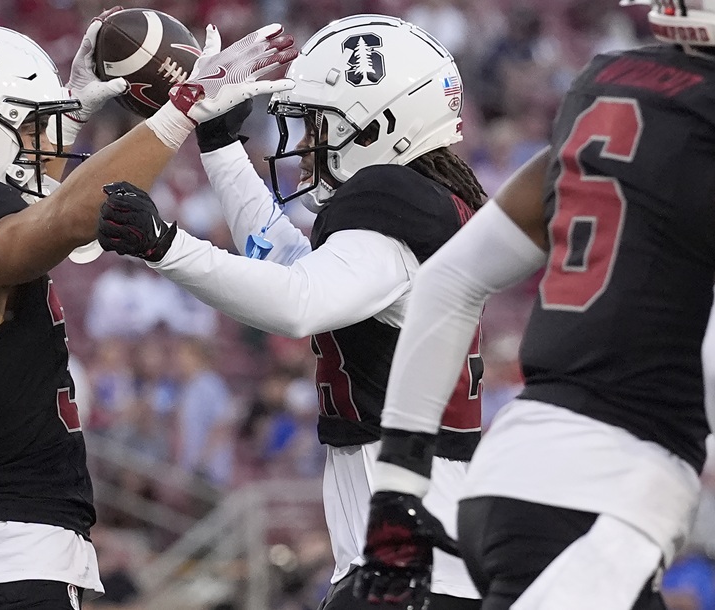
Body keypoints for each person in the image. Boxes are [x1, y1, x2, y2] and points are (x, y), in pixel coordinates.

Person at [0, 13, 297, 610]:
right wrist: (183, 110)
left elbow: (43, 204)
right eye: (34, 124)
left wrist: (74, 107)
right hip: (14, 570)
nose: (53, 140)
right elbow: (67, 216)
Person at [96, 14, 486, 610]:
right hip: (408, 563)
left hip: (412, 569)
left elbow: (298, 301)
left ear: (380, 126)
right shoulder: (423, 209)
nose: (303, 144)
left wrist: (166, 245)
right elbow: (292, 266)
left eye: (319, 124)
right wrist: (221, 145)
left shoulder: (398, 204)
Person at [352, 1, 715, 608]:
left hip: (521, 477)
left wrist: (396, 485)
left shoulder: (609, 85)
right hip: (600, 502)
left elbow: (450, 278)